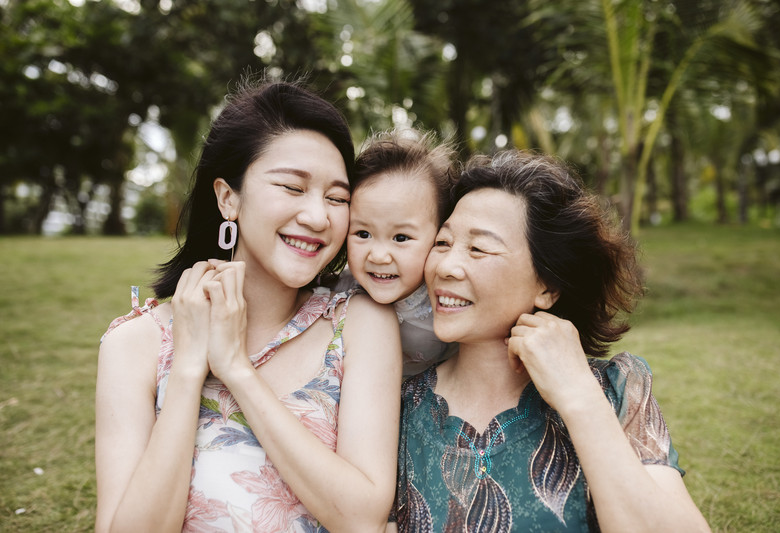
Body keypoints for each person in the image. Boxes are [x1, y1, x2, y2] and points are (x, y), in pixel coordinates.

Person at [95, 77, 402, 532]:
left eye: (337, 198)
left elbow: (361, 517)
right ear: (228, 197)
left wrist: (237, 368)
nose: (318, 217)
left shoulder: (357, 325)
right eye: (293, 188)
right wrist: (186, 370)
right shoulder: (133, 343)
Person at [391, 151, 711, 531]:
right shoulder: (400, 408)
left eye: (478, 248)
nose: (444, 266)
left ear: (548, 286)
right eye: (442, 243)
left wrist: (579, 398)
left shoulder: (615, 389)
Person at [342, 129, 458, 377]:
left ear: (439, 238)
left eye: (401, 238)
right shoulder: (336, 292)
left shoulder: (452, 307)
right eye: (363, 234)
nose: (379, 256)